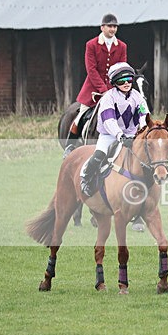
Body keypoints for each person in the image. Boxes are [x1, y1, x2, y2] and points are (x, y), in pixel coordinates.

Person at [80, 62, 150, 197]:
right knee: (99, 154)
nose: (126, 83)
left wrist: (143, 131)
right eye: (121, 81)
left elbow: (144, 115)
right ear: (114, 83)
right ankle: (85, 178)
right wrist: (120, 136)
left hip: (132, 135)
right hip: (110, 135)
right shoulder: (108, 98)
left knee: (146, 157)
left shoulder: (138, 97)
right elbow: (109, 120)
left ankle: (148, 185)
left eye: (129, 79)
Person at [65, 13, 128, 156]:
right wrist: (103, 89)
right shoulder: (91, 45)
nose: (112, 29)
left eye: (115, 27)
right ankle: (70, 145)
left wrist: (113, 89)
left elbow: (121, 69)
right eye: (109, 26)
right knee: (81, 114)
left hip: (114, 89)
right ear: (102, 27)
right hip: (93, 89)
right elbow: (91, 69)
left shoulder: (122, 46)